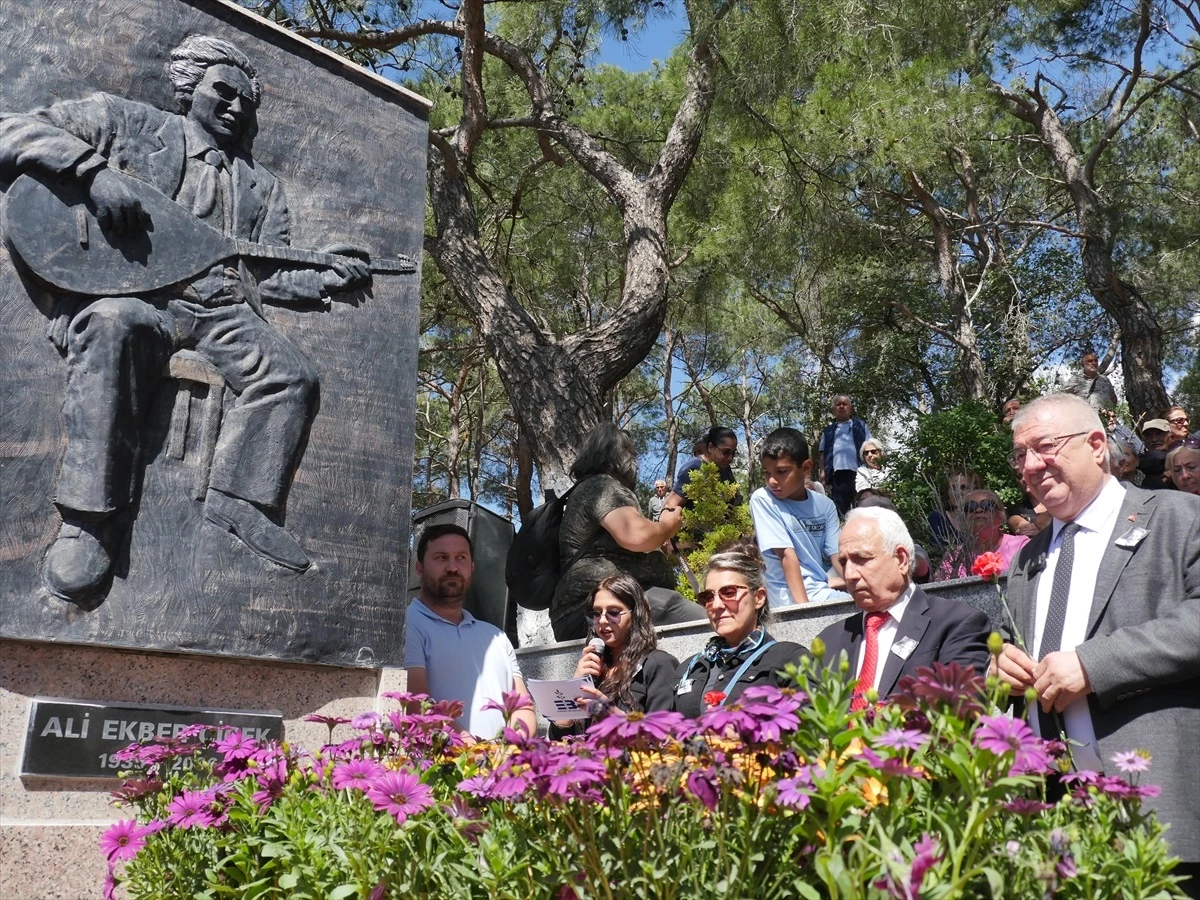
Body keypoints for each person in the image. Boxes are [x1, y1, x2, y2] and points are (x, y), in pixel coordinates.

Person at [0, 35, 370, 602]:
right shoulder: (125, 123)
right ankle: (88, 520)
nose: (236, 108)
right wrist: (92, 173)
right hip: (134, 293)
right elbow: (9, 127)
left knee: (292, 377)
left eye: (247, 103)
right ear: (188, 86)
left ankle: (238, 500)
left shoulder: (260, 186)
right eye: (224, 92)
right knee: (114, 325)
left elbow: (266, 270)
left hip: (221, 308)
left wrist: (324, 276)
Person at [994, 393, 1199, 882]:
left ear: (1096, 444)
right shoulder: (1026, 558)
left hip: (1161, 812)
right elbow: (1004, 641)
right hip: (1061, 825)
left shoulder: (1179, 517)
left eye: (1044, 446)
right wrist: (998, 667)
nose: (1030, 464)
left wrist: (1093, 665)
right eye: (1020, 455)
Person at [817, 508, 991, 709]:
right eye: (844, 562)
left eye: (861, 559)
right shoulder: (829, 640)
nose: (849, 574)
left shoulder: (956, 623)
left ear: (901, 559)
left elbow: (961, 711)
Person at [552, 424, 706, 641]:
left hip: (589, 607)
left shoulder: (588, 489)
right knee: (706, 623)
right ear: (616, 455)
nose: (635, 462)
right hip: (596, 607)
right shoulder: (602, 487)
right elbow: (637, 536)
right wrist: (668, 525)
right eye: (631, 453)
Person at [404, 524, 536, 739]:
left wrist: (512, 748)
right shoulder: (407, 626)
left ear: (472, 567)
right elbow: (416, 707)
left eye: (461, 558)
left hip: (503, 766)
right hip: (444, 768)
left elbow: (522, 706)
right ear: (419, 568)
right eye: (441, 558)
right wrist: (475, 752)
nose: (452, 568)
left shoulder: (497, 637)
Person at [671, 541, 807, 717]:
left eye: (728, 592)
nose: (716, 605)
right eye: (708, 596)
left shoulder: (788, 658)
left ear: (758, 598)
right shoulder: (689, 667)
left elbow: (808, 730)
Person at [548, 574, 679, 738]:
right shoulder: (593, 668)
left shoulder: (658, 664)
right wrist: (575, 685)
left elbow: (665, 736)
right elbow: (559, 742)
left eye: (613, 612)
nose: (602, 620)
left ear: (636, 614)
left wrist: (611, 714)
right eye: (596, 613)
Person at [750, 427, 848, 606]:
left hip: (821, 592)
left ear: (806, 468)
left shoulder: (825, 505)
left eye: (781, 472)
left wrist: (859, 587)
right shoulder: (763, 499)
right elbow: (786, 555)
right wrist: (804, 612)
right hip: (790, 601)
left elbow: (837, 556)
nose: (772, 480)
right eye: (766, 473)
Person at [934, 489, 1030, 581]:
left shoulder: (1020, 546)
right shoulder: (954, 556)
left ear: (1001, 515)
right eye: (970, 507)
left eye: (987, 505)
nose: (978, 510)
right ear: (962, 520)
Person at [817, 395, 872, 516]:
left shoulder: (861, 426)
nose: (841, 407)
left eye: (844, 404)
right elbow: (822, 455)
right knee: (839, 512)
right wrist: (822, 476)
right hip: (838, 476)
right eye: (838, 404)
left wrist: (873, 471)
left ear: (850, 408)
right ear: (833, 410)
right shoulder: (828, 431)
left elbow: (871, 448)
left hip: (860, 474)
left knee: (862, 511)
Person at [667, 427, 741, 511]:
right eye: (726, 452)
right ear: (710, 447)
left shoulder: (725, 468)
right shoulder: (694, 468)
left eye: (733, 453)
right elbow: (670, 505)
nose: (730, 458)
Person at [928, 469, 980, 549]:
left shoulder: (982, 516)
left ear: (975, 490)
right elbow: (937, 552)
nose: (957, 492)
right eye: (953, 488)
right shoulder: (938, 518)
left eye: (963, 487)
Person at [1138, 418, 1172, 490]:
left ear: (1170, 436)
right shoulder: (1137, 466)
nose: (1154, 439)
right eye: (1149, 435)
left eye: (1159, 433)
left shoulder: (1183, 457)